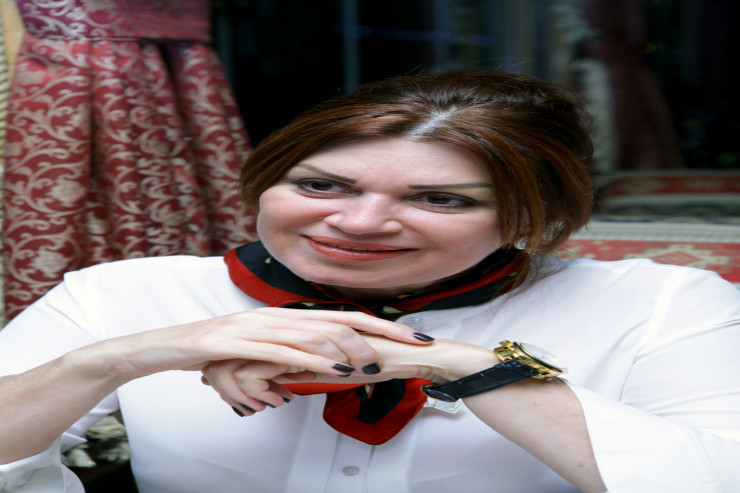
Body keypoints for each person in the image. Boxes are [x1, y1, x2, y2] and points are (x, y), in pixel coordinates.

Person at [0, 71, 738, 493]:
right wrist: (121, 357)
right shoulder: (122, 294)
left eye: (439, 198)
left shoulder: (663, 304)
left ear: (530, 218)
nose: (358, 222)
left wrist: (457, 364)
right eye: (320, 185)